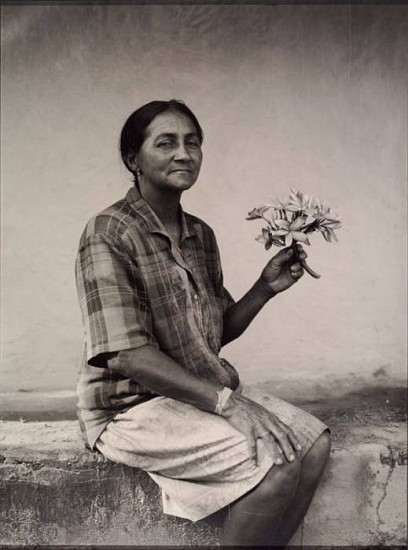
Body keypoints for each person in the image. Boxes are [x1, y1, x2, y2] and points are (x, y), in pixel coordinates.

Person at [75, 99, 331, 547]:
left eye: (192, 143)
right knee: (278, 459)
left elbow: (212, 334)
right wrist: (229, 403)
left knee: (313, 445)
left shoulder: (200, 235)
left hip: (197, 393)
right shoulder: (108, 232)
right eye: (166, 143)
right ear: (133, 160)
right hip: (129, 408)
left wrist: (264, 288)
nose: (183, 153)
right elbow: (128, 354)